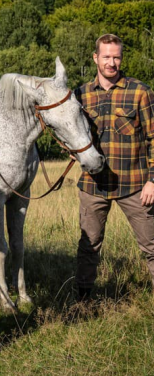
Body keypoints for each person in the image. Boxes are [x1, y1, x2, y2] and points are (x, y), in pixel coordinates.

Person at [74, 33, 154, 299]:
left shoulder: (140, 92)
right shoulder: (81, 94)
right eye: (106, 56)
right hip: (93, 185)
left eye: (116, 56)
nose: (112, 62)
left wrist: (153, 180)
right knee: (88, 246)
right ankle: (82, 301)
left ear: (122, 58)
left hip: (135, 184)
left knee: (151, 245)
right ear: (95, 58)